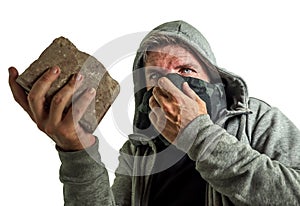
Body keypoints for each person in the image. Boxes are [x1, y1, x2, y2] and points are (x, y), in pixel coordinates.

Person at [8, 20, 300, 205]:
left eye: (185, 70)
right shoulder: (138, 152)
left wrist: (199, 135)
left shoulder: (258, 121)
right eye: (153, 75)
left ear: (216, 82)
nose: (167, 83)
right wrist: (76, 150)